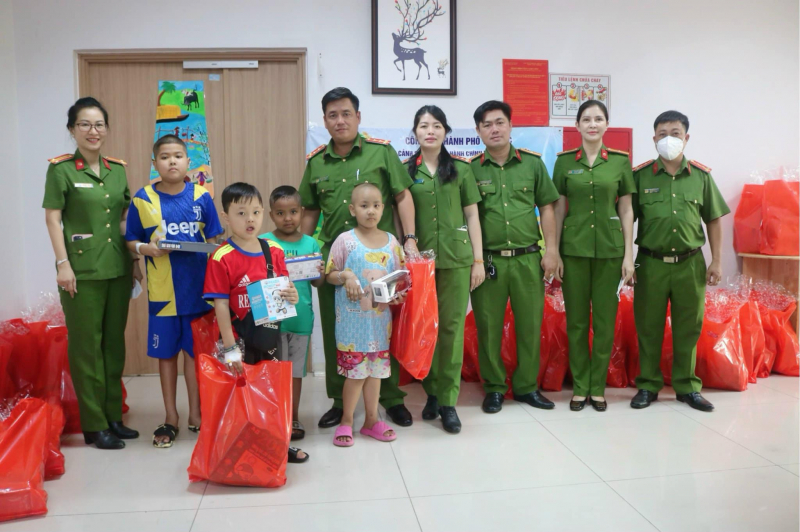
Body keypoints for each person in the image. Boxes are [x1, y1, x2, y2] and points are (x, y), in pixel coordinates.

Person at [299, 87, 418, 429]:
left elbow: (403, 196)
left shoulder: (381, 153)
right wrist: (302, 254)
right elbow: (308, 211)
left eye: (346, 113)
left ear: (358, 117)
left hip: (381, 257)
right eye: (333, 115)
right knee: (339, 330)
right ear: (324, 120)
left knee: (383, 326)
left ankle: (391, 399)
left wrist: (409, 239)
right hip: (337, 261)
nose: (340, 121)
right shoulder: (316, 161)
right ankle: (341, 402)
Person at [43, 97, 141, 449]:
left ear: (107, 129)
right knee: (86, 348)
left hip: (117, 267)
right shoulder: (61, 169)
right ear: (72, 129)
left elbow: (124, 218)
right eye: (84, 124)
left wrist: (134, 261)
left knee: (113, 346)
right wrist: (62, 263)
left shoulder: (117, 169)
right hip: (81, 272)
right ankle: (94, 423)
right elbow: (53, 217)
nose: (93, 131)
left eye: (99, 124)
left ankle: (113, 416)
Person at [125, 134, 223, 447]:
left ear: (187, 162)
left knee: (196, 355)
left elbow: (215, 240)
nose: (172, 161)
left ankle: (197, 415)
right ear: (155, 163)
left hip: (198, 292)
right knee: (166, 356)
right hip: (163, 294)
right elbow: (131, 241)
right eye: (165, 156)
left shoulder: (201, 196)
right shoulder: (143, 198)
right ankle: (171, 417)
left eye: (178, 156)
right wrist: (146, 249)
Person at [629, 110, 730, 412]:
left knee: (689, 326)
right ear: (653, 139)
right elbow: (625, 219)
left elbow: (713, 220)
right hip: (650, 263)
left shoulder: (701, 176)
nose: (668, 139)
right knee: (648, 326)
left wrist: (717, 262)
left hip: (690, 263)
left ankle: (687, 387)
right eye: (662, 134)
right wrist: (625, 260)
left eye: (675, 133)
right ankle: (647, 385)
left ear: (686, 138)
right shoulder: (640, 176)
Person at [203, 183, 309, 463]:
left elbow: (286, 290)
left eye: (256, 212)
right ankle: (238, 449)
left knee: (272, 392)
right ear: (226, 217)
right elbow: (221, 305)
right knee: (238, 394)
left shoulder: (272, 249)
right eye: (241, 213)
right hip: (237, 337)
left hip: (269, 336)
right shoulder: (220, 256)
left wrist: (293, 294)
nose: (250, 219)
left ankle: (277, 444)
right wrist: (229, 349)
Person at [469, 100, 560, 413]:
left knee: (529, 325)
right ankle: (494, 387)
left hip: (527, 258)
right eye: (487, 124)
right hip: (489, 261)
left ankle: (525, 387)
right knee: (488, 326)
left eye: (499, 122)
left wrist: (551, 250)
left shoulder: (533, 164)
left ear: (510, 126)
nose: (494, 129)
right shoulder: (471, 169)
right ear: (478, 131)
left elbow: (547, 207)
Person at [401, 105, 484, 433]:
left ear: (445, 132)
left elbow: (473, 215)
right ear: (416, 132)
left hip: (456, 260)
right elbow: (399, 216)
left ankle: (448, 401)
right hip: (420, 264)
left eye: (436, 125)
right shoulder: (406, 171)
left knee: (450, 328)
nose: (430, 131)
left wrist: (478, 260)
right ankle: (432, 391)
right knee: (426, 329)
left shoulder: (461, 169)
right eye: (423, 125)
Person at [552, 100, 635, 412]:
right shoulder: (563, 162)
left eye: (598, 119)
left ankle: (597, 388)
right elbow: (558, 208)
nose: (592, 124)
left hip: (610, 252)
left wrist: (630, 255)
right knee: (575, 322)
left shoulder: (619, 162)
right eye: (586, 119)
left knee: (604, 322)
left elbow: (626, 209)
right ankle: (581, 386)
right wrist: (555, 251)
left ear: (606, 125)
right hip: (573, 251)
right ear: (577, 125)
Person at [325, 183, 406, 446]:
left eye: (375, 205)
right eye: (363, 206)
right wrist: (345, 275)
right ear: (352, 209)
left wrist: (398, 294)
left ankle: (372, 420)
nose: (370, 211)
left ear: (383, 208)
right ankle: (347, 420)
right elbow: (329, 275)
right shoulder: (345, 241)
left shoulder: (393, 243)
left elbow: (398, 279)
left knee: (375, 373)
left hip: (380, 324)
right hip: (351, 326)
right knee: (354, 375)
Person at [260, 185, 326, 441]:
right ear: (271, 214)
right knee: (275, 372)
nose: (288, 218)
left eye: (293, 212)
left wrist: (319, 271)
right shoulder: (264, 242)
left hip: (301, 320)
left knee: (296, 373)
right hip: (273, 321)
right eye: (280, 213)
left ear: (302, 212)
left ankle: (293, 416)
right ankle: (274, 416)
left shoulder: (311, 243)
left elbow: (317, 284)